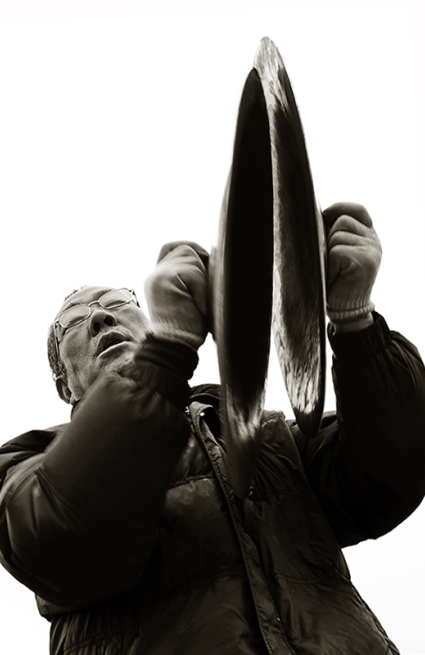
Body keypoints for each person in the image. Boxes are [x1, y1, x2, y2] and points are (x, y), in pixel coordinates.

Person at [0, 202, 424, 655]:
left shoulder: (268, 436)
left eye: (116, 302)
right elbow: (64, 536)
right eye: (72, 321)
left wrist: (356, 321)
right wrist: (167, 351)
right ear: (64, 384)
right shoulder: (27, 463)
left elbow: (392, 471)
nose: (100, 317)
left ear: (145, 321)